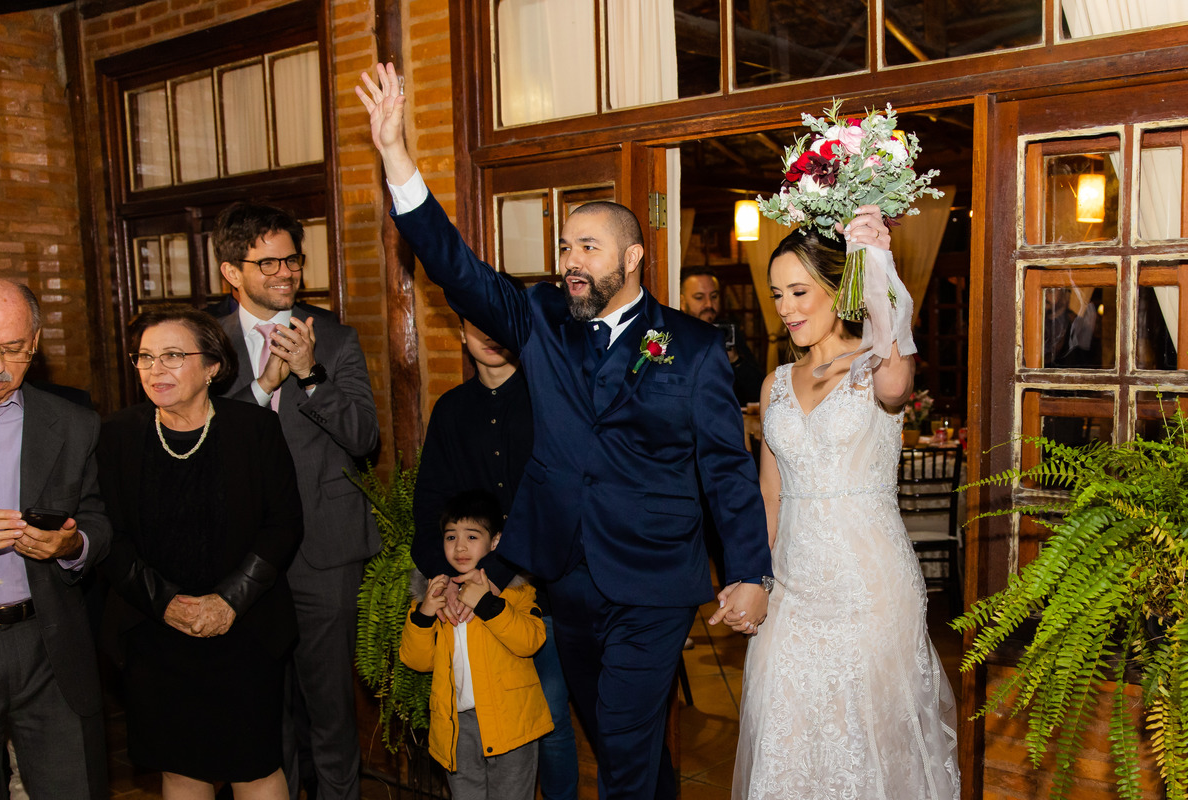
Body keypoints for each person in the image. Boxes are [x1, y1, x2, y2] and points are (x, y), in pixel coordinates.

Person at [359, 62, 774, 800]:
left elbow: (725, 465)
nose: (571, 263)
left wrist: (748, 571)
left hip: (653, 579)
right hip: (566, 576)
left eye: (588, 248)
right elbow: (457, 271)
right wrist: (396, 156)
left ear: (632, 258)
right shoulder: (542, 319)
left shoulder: (692, 346)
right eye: (565, 249)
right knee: (616, 740)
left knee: (622, 740)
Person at [732, 227, 960, 798]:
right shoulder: (775, 383)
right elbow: (769, 495)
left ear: (840, 290)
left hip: (869, 592)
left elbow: (895, 386)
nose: (786, 308)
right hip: (791, 591)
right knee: (785, 737)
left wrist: (874, 259)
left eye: (799, 292)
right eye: (777, 294)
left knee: (863, 749)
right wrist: (753, 576)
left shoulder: (880, 364)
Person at [97, 306, 303, 799]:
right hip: (155, 632)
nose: (155, 369)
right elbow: (109, 535)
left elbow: (283, 525)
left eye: (173, 355)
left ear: (212, 366)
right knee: (180, 766)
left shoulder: (254, 428)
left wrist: (228, 601)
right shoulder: (116, 435)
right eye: (145, 357)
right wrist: (166, 603)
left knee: (254, 767)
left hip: (245, 629)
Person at [213, 202, 380, 800]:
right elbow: (201, 440)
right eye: (269, 262)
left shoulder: (333, 337)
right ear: (232, 272)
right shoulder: (204, 342)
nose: (286, 272)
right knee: (263, 713)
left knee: (331, 712)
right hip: (239, 554)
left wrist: (311, 375)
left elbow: (364, 437)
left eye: (293, 259)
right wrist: (263, 388)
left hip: (324, 552)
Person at [411, 317, 578, 800]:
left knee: (551, 716)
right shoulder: (451, 409)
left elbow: (557, 501)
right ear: (461, 334)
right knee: (474, 718)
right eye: (474, 324)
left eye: (495, 321)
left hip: (542, 587)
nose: (487, 334)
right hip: (463, 591)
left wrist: (492, 577)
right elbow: (430, 503)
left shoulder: (550, 401)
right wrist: (446, 579)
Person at [0, 279, 111, 799]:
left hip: (49, 644)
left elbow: (97, 518)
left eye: (13, 349)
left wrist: (72, 546)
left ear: (35, 344)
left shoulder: (74, 423)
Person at [401, 490, 553, 798]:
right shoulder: (435, 598)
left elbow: (531, 641)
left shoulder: (515, 592)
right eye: (451, 537)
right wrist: (424, 614)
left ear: (495, 542)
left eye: (472, 536)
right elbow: (417, 661)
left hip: (512, 724)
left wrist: (487, 604)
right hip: (457, 726)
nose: (460, 547)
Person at [679, 267, 764, 405]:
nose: (709, 304)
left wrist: (736, 361)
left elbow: (758, 392)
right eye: (699, 297)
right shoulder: (673, 334)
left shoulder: (727, 332)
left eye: (714, 296)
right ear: (682, 302)